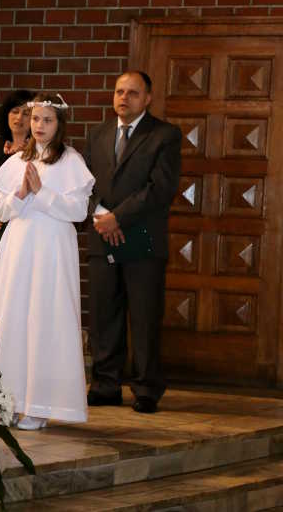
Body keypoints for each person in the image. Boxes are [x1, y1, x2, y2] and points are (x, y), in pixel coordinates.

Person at [0, 93, 94, 431]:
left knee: (45, 315)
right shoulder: (17, 159)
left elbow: (78, 211)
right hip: (18, 247)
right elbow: (1, 211)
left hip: (52, 246)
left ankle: (39, 403)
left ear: (59, 124)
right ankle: (8, 399)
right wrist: (21, 194)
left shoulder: (70, 160)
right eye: (36, 119)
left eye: (47, 120)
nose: (39, 125)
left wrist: (42, 191)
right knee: (13, 315)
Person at [83, 71, 181, 414]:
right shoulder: (97, 134)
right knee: (104, 315)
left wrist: (118, 218)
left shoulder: (164, 135)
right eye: (119, 91)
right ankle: (105, 385)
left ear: (148, 98)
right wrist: (101, 215)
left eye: (133, 93)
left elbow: (160, 188)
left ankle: (146, 388)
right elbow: (84, 182)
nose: (124, 98)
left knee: (143, 316)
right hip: (102, 235)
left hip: (142, 237)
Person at [0, 90, 33, 286]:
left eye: (26, 113)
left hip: (21, 222)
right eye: (14, 111)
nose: (19, 118)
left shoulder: (36, 151)